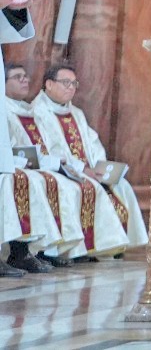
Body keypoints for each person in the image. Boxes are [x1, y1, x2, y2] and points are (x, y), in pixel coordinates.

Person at [29, 63, 148, 256]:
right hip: (62, 171)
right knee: (86, 188)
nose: (70, 87)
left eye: (74, 83)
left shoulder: (76, 112)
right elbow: (51, 150)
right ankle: (81, 249)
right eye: (65, 82)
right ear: (49, 84)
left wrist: (100, 168)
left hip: (87, 171)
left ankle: (115, 245)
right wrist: (81, 169)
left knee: (121, 185)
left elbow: (93, 143)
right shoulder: (38, 113)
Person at [3, 64, 73, 272]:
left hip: (20, 165)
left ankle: (36, 251)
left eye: (26, 76)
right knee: (29, 180)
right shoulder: (4, 108)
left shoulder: (28, 110)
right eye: (18, 77)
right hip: (13, 168)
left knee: (48, 179)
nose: (25, 80)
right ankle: (19, 253)